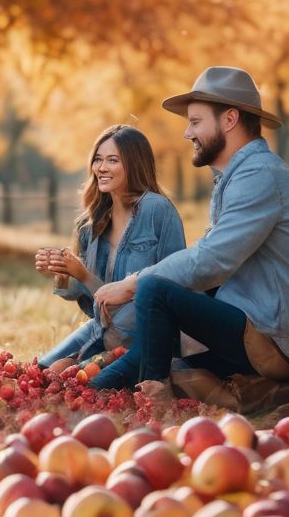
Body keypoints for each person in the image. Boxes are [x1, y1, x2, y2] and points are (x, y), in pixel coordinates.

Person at [90, 67, 289, 406]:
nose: (186, 133)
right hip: (257, 327)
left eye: (195, 122)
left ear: (230, 119)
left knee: (152, 288)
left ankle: (157, 403)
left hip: (280, 340)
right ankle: (268, 394)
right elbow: (209, 269)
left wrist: (133, 283)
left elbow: (212, 260)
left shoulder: (259, 174)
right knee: (110, 382)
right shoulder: (235, 176)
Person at [35, 125, 185, 367]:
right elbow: (94, 297)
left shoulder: (157, 210)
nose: (101, 168)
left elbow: (178, 281)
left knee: (75, 374)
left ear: (134, 164)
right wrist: (63, 273)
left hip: (147, 329)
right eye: (98, 159)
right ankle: (87, 360)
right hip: (103, 326)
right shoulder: (90, 223)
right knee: (42, 369)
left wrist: (83, 273)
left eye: (112, 160)